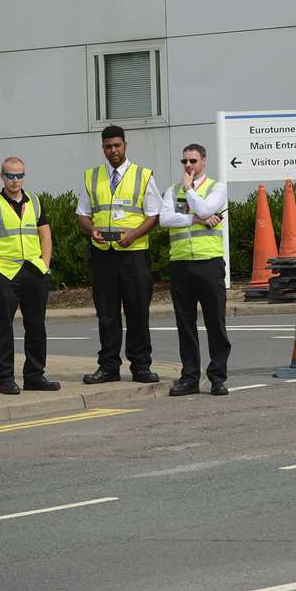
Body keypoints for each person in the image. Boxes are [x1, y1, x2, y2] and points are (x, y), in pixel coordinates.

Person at [76, 124, 162, 384]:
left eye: (117, 146)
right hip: (103, 254)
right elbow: (82, 214)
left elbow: (153, 214)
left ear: (125, 145)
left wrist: (133, 235)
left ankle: (141, 367)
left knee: (137, 312)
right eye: (108, 146)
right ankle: (109, 367)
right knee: (107, 314)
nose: (113, 151)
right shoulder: (92, 177)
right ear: (102, 148)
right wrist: (92, 230)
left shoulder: (143, 175)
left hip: (133, 255)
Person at [0, 156, 58, 395]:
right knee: (4, 327)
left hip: (34, 271)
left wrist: (45, 265)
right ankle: (5, 379)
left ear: (24, 176)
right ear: (1, 176)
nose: (15, 180)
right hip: (6, 273)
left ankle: (34, 375)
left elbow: (46, 235)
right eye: (10, 175)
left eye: (19, 175)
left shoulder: (35, 201)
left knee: (36, 325)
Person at [159, 142, 231, 397]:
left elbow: (206, 208)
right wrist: (195, 218)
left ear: (203, 162)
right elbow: (164, 219)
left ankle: (217, 378)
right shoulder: (172, 190)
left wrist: (190, 192)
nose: (188, 166)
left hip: (208, 262)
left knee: (215, 322)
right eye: (185, 162)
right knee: (185, 323)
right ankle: (189, 377)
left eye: (193, 161)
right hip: (181, 264)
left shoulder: (217, 188)